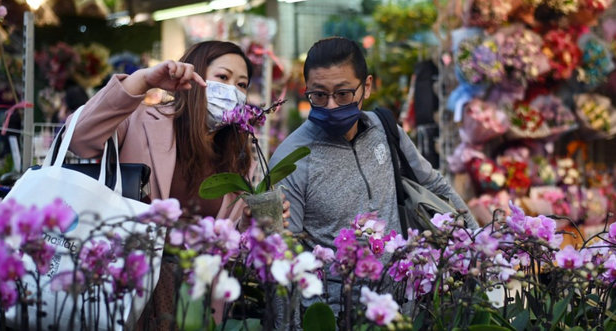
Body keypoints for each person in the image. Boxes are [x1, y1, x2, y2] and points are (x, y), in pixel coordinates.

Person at [67, 40, 287, 330]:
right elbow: (77, 137)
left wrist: (249, 225)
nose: (233, 90)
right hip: (127, 293)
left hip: (197, 308)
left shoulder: (240, 156)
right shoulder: (139, 120)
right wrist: (141, 82)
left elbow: (230, 247)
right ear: (193, 78)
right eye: (222, 77)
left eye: (242, 84)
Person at [269, 37, 478, 314]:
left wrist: (476, 245)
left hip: (404, 307)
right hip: (337, 316)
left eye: (343, 94)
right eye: (319, 95)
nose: (331, 106)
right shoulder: (291, 158)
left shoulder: (385, 129)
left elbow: (434, 184)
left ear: (366, 86)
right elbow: (284, 255)